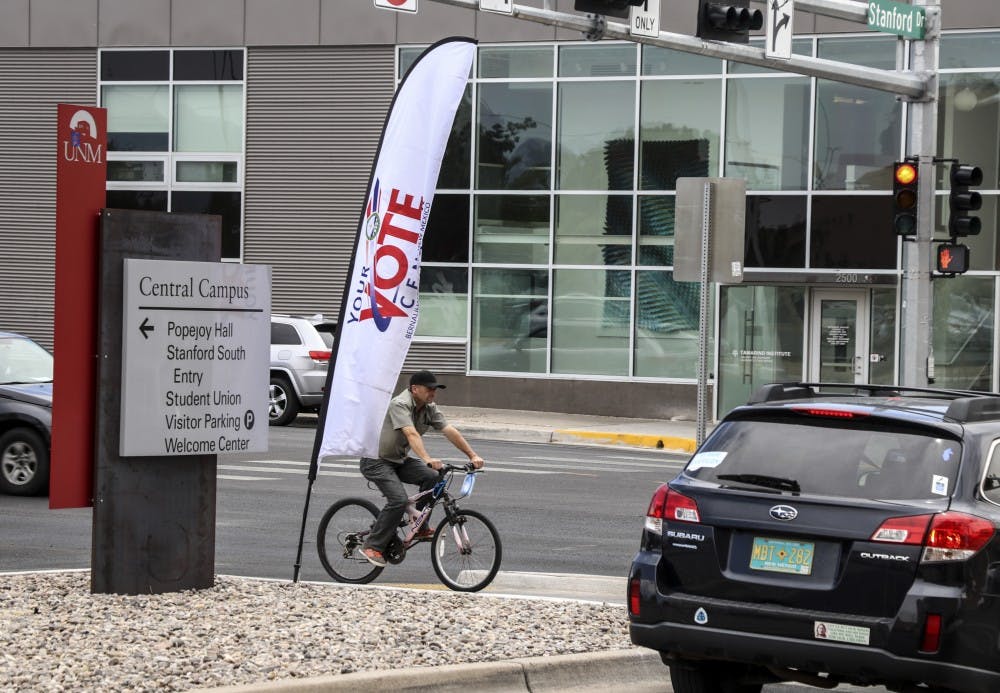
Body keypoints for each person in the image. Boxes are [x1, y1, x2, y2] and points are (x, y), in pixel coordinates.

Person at [359, 370, 485, 567]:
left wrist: (472, 455)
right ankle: (372, 546)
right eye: (429, 389)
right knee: (399, 500)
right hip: (376, 461)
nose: (433, 393)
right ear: (415, 389)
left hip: (398, 459)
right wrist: (426, 458)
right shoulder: (400, 404)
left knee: (433, 477)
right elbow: (410, 433)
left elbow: (449, 430)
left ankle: (418, 526)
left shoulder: (428, 408)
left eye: (435, 389)